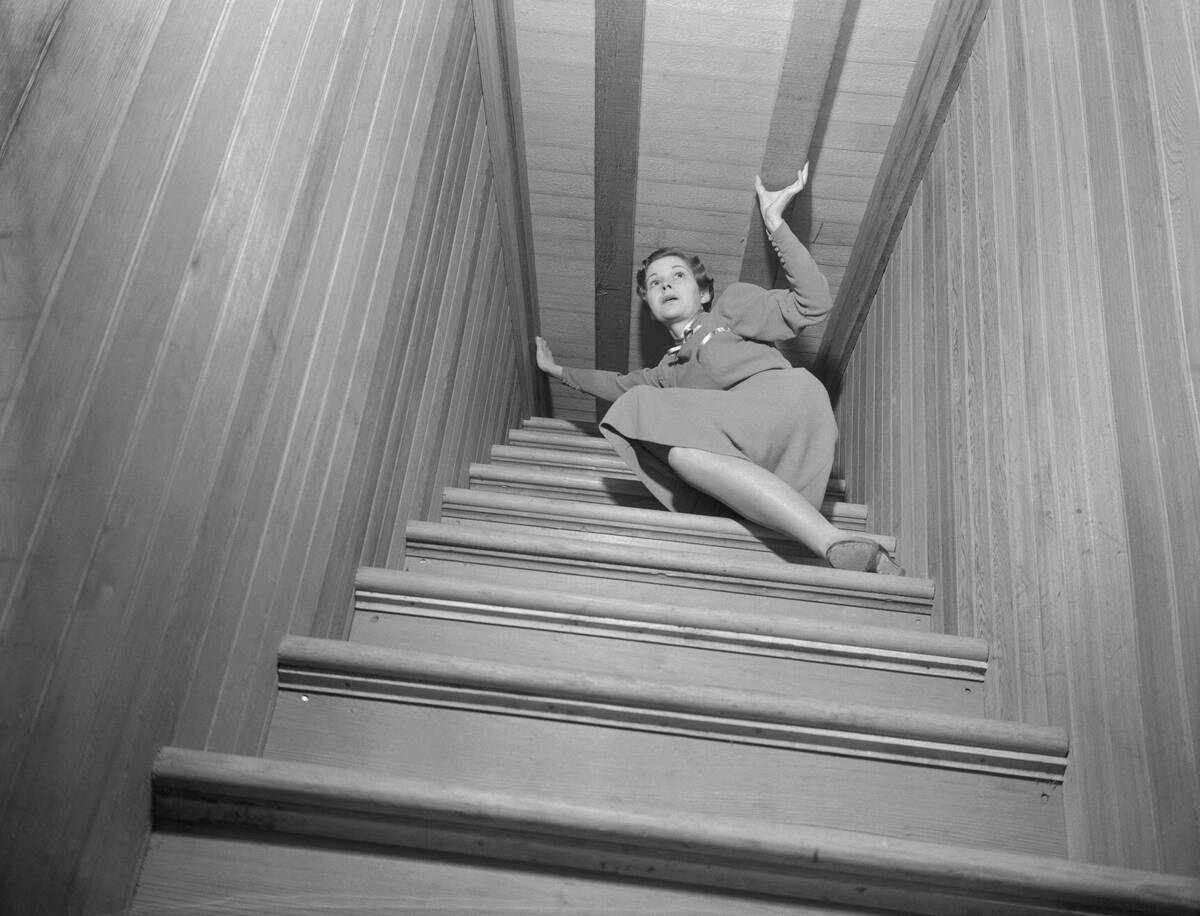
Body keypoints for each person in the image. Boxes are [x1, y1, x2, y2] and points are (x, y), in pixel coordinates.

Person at [535, 165, 902, 575]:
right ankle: (836, 544)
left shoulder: (731, 308)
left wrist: (775, 223)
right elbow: (615, 385)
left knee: (647, 407)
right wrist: (558, 370)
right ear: (651, 307)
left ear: (703, 290)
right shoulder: (667, 373)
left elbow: (813, 304)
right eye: (655, 284)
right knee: (680, 453)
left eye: (677, 276)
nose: (666, 285)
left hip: (785, 407)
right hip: (748, 457)